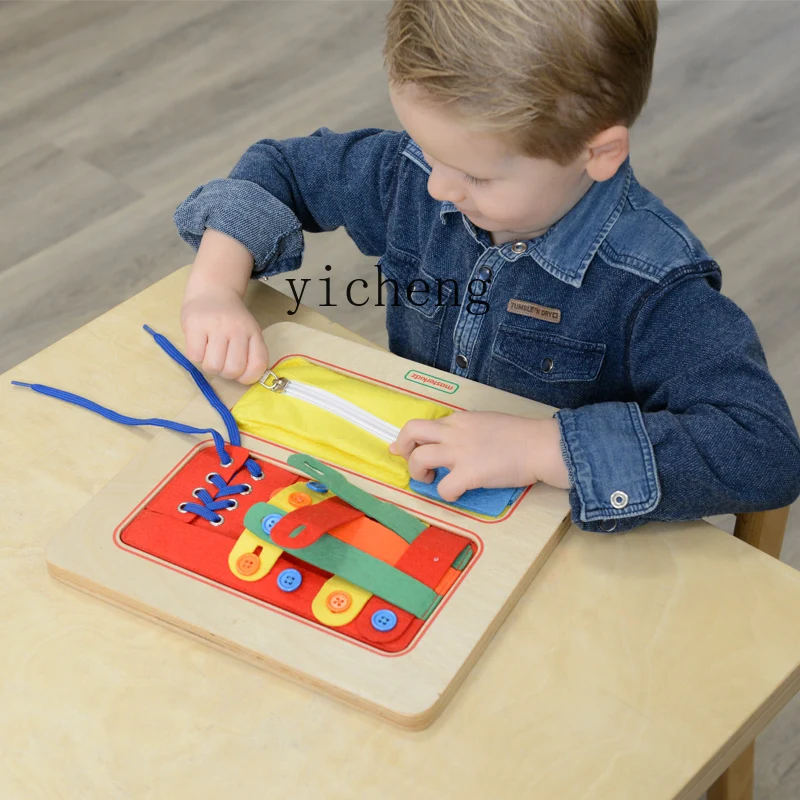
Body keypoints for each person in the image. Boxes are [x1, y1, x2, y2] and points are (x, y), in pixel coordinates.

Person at [174, 0, 800, 532]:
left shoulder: (654, 285)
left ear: (597, 152)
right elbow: (281, 170)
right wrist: (215, 287)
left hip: (549, 547)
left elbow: (764, 450)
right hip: (414, 498)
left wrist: (541, 446)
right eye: (426, 148)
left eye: (474, 174)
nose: (438, 186)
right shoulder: (419, 172)